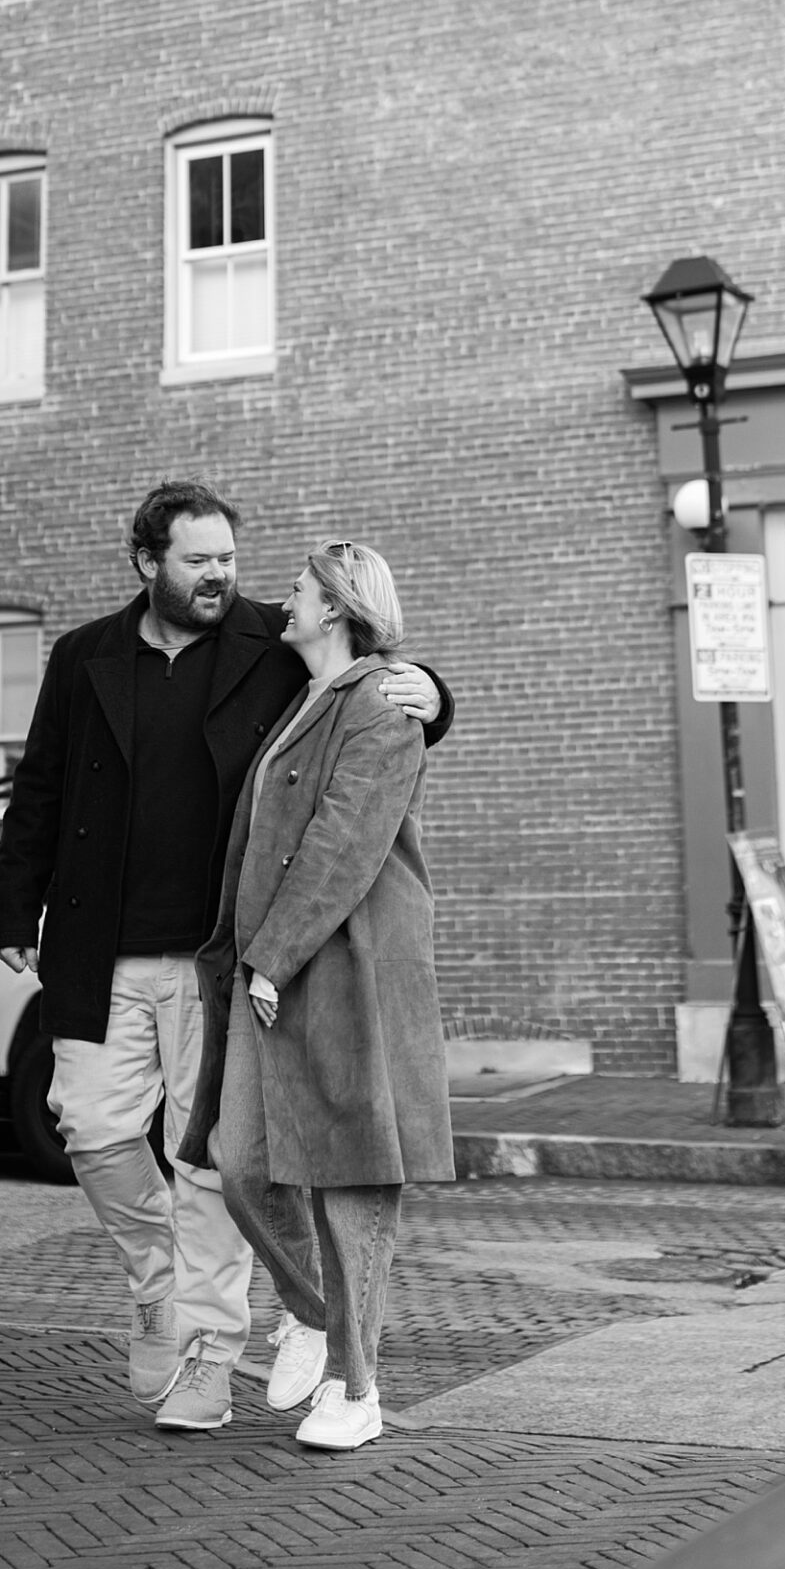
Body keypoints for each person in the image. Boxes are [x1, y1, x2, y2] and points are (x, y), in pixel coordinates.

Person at [0, 481, 450, 1435]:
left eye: (230, 559)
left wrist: (436, 695)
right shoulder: (83, 658)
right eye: (199, 560)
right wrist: (13, 905)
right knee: (91, 1129)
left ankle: (206, 1350)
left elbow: (365, 663)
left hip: (216, 954)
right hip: (95, 944)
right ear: (147, 563)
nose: (222, 577)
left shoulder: (272, 639)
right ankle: (159, 1278)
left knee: (205, 1162)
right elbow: (39, 785)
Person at [178, 540, 454, 1453]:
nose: (279, 603)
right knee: (239, 1159)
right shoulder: (306, 693)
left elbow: (345, 840)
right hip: (270, 969)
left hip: (344, 971)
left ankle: (357, 1384)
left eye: (296, 592)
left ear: (335, 606)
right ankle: (322, 1319)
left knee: (351, 1173)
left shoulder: (378, 701)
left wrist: (273, 958)